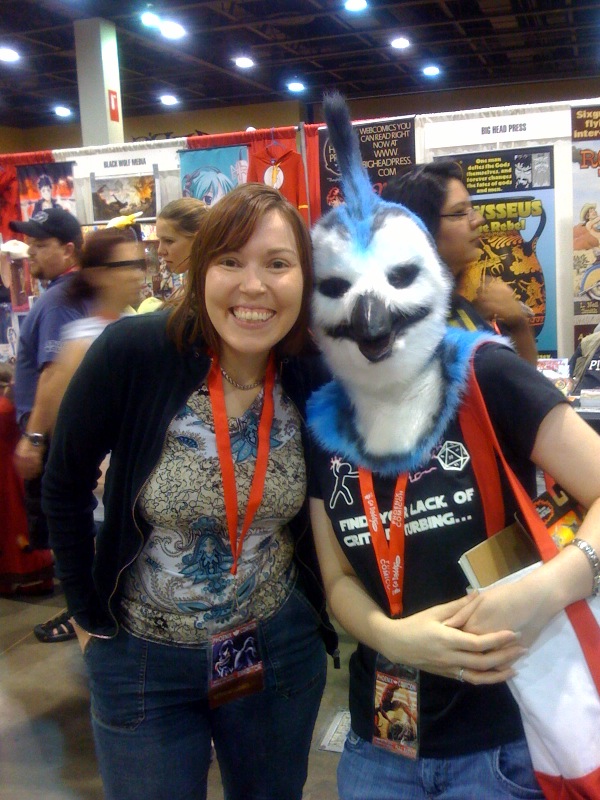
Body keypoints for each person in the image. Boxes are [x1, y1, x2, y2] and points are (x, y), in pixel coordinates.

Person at [307, 92, 600, 800]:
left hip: (504, 741)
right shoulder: (323, 412)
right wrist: (390, 633)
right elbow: (338, 577)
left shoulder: (484, 373)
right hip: (381, 744)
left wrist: (548, 587)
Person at [42, 183, 338, 800]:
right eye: (230, 261)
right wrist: (86, 613)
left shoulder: (311, 370)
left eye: (278, 264)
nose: (253, 287)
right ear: (199, 270)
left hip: (274, 647)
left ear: (303, 280)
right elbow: (64, 482)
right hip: (143, 656)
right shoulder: (138, 352)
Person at [9, 207, 91, 642]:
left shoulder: (59, 300)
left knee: (66, 532)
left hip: (55, 437)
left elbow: (54, 373)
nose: (32, 254)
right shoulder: (66, 294)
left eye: (41, 246)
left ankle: (83, 619)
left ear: (68, 249)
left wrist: (34, 438)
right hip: (63, 435)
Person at [382, 162, 538, 365]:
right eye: (458, 213)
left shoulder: (458, 305)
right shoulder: (400, 325)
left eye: (471, 210)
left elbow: (520, 387)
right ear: (419, 227)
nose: (478, 220)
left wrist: (518, 325)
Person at [43, 227, 145, 433]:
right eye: (126, 266)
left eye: (139, 265)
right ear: (97, 274)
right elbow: (64, 425)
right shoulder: (83, 342)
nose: (137, 275)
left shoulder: (136, 326)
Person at [0, 363, 54, 595]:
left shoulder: (6, 406)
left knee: (15, 516)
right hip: (12, 469)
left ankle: (25, 573)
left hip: (11, 470)